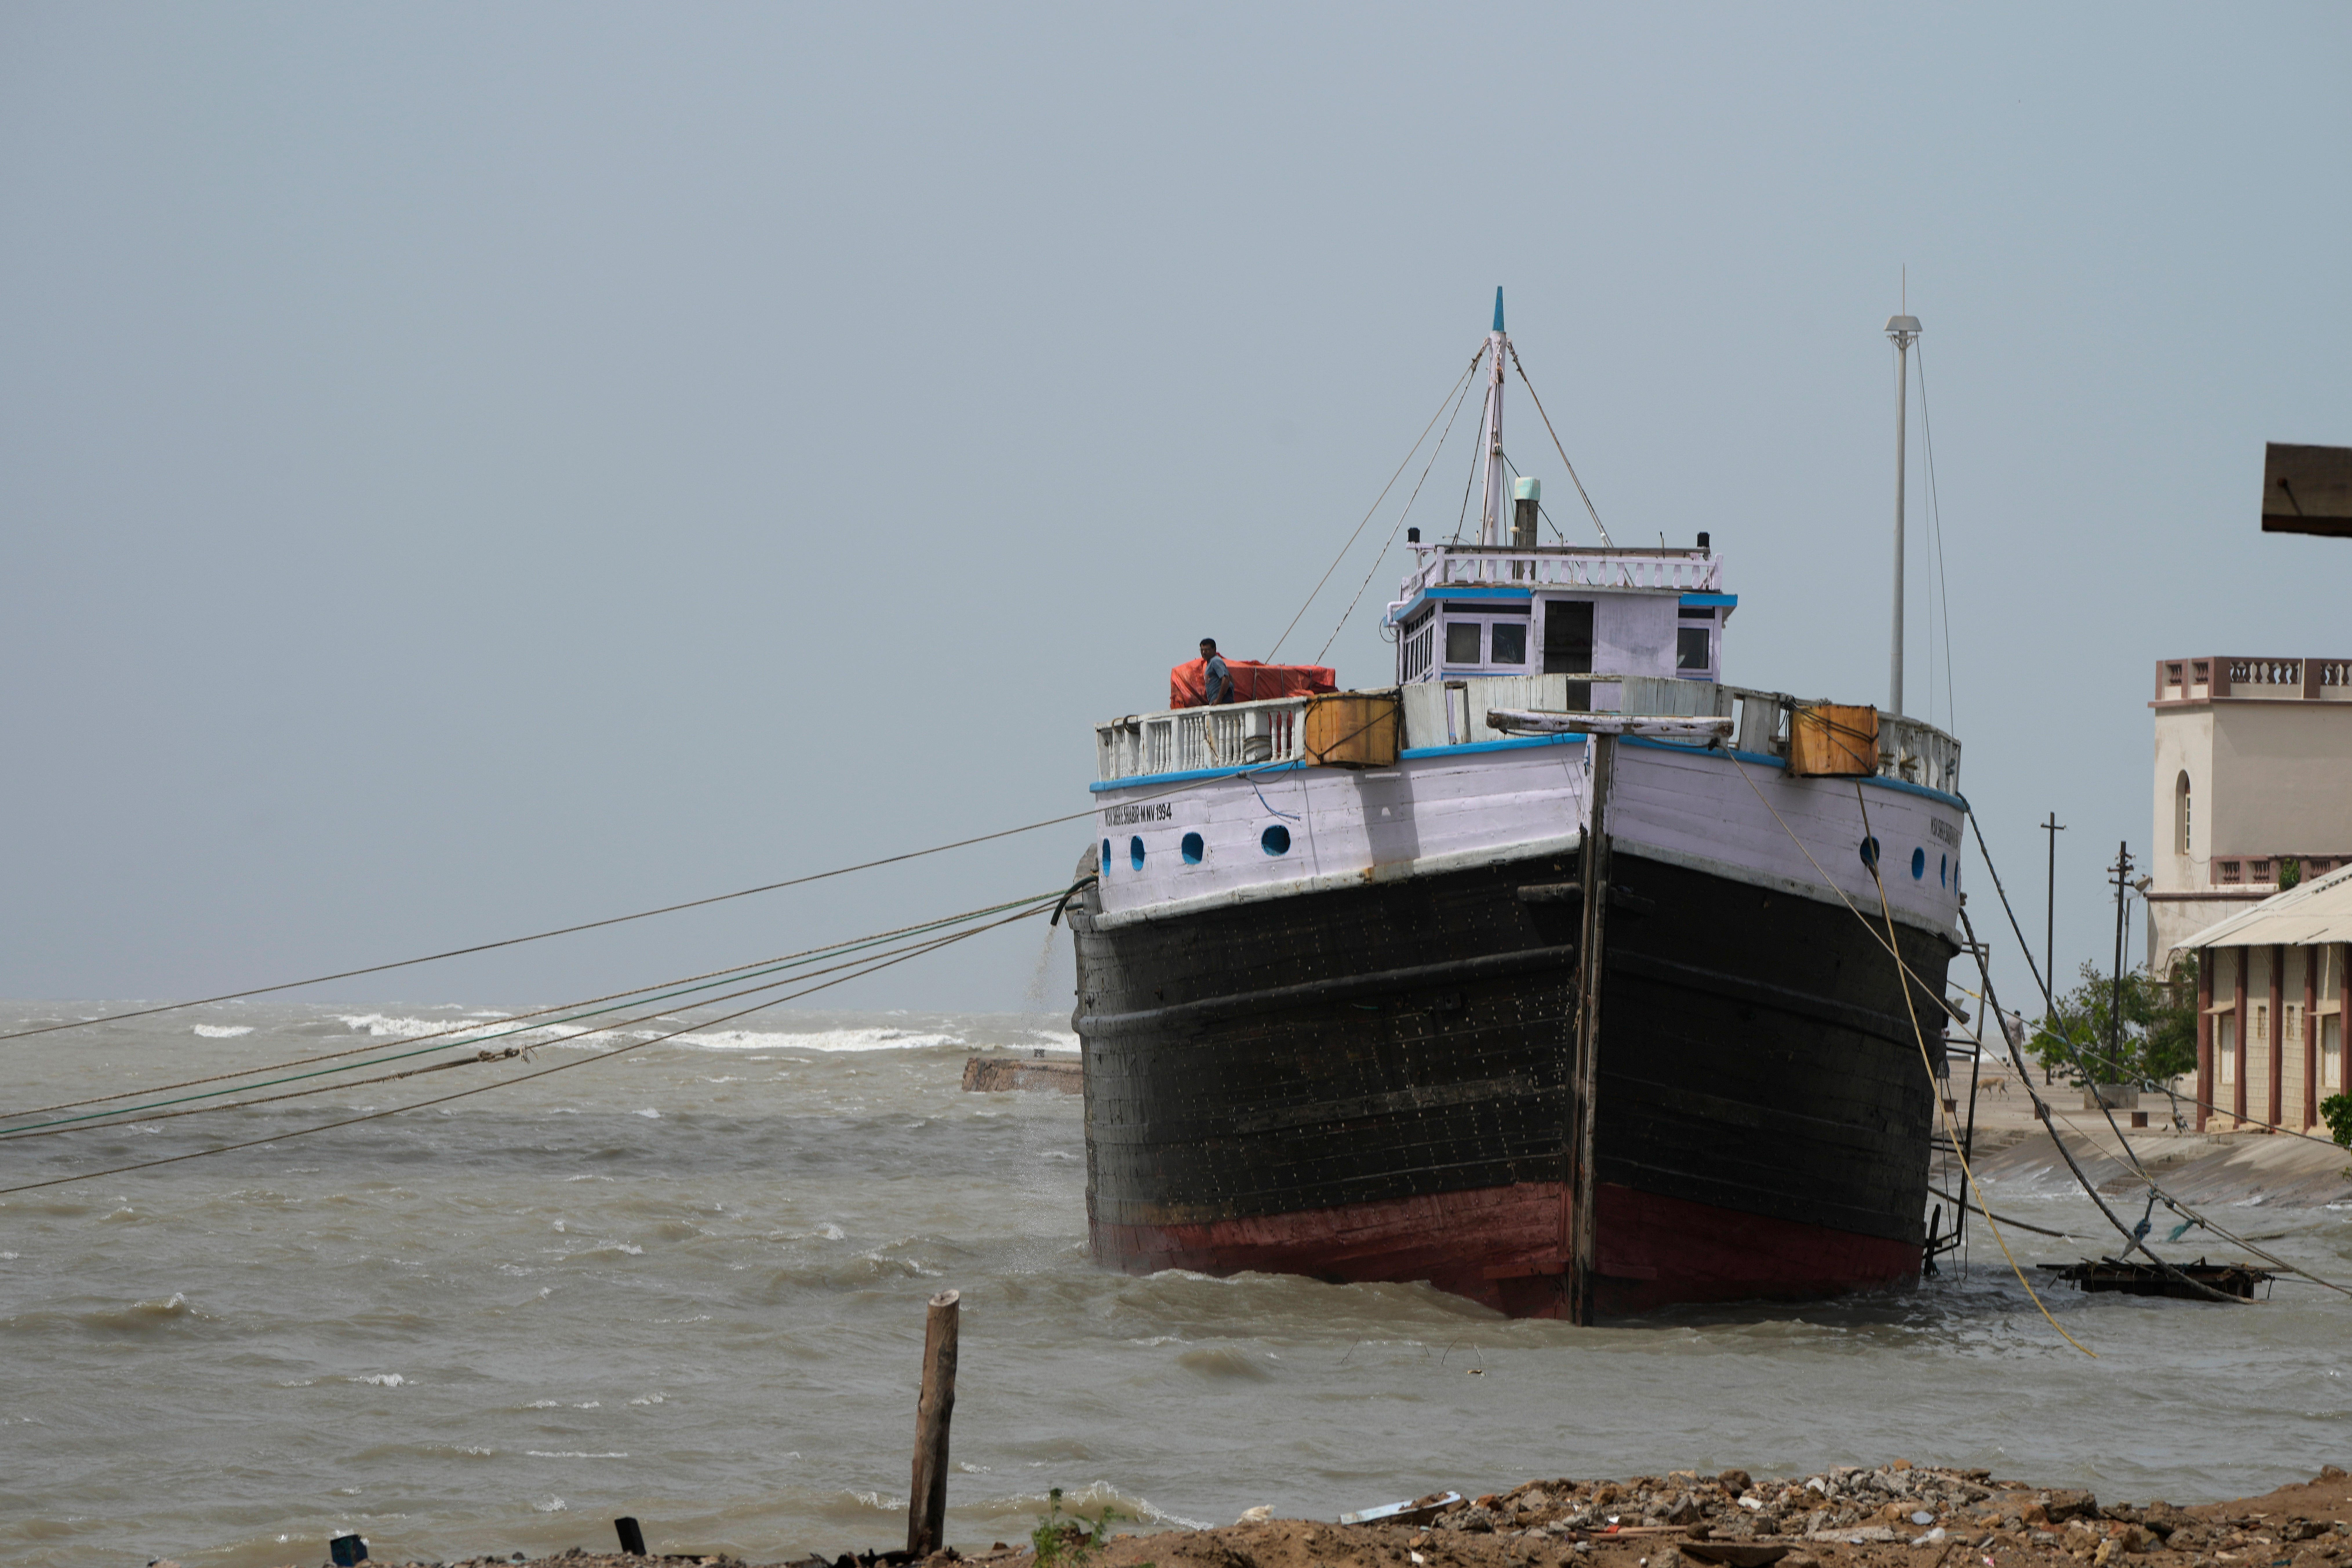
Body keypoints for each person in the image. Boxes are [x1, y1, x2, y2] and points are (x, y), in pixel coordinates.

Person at [1199, 639, 1234, 705]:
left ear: (1214, 650)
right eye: (1202, 650)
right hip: (1218, 700)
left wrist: (1219, 699)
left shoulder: (1215, 661)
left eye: (1207, 650)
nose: (1204, 653)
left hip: (1223, 701)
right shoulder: (1210, 663)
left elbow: (1226, 679)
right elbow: (1230, 677)